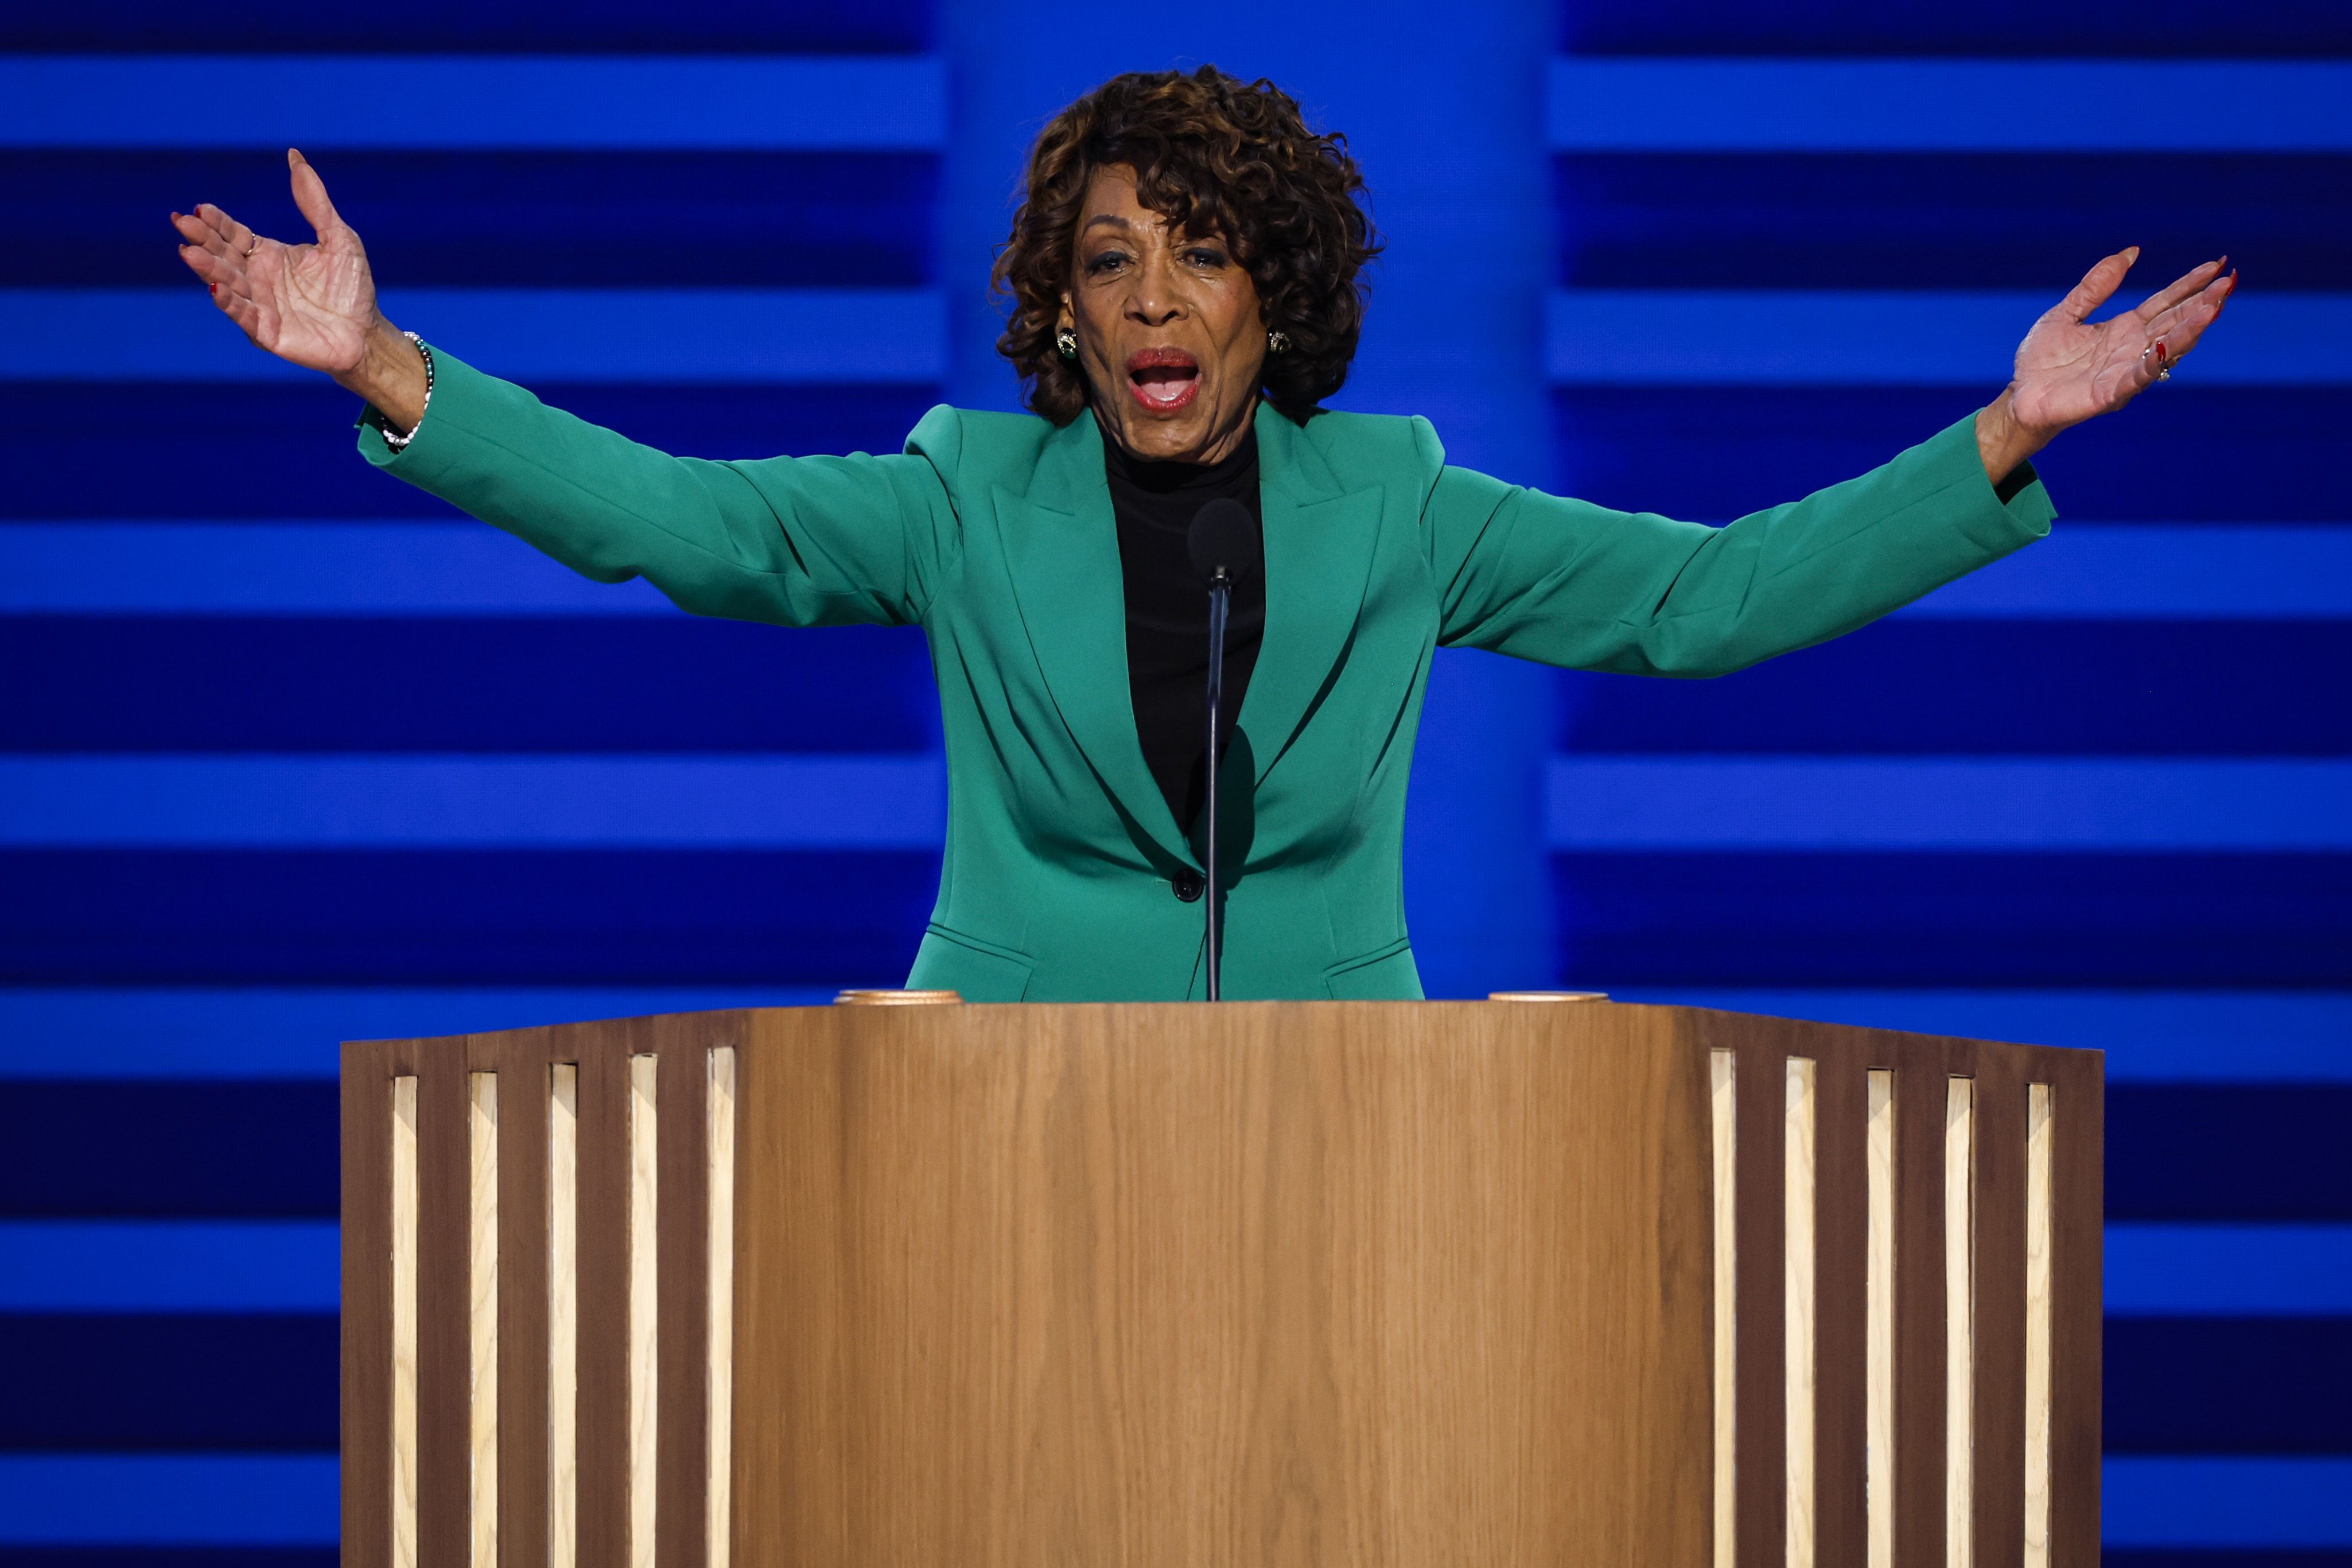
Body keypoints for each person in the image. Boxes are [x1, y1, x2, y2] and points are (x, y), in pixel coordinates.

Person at [172, 68, 2233, 1003]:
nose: (1156, 298)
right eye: (1110, 260)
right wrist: (391, 372)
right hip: (997, 1132)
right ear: (1061, 307)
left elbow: (1701, 605)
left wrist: (2000, 435)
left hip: (1345, 1146)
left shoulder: (1404, 503)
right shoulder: (965, 503)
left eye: (1205, 254)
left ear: (1278, 291)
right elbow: (690, 530)